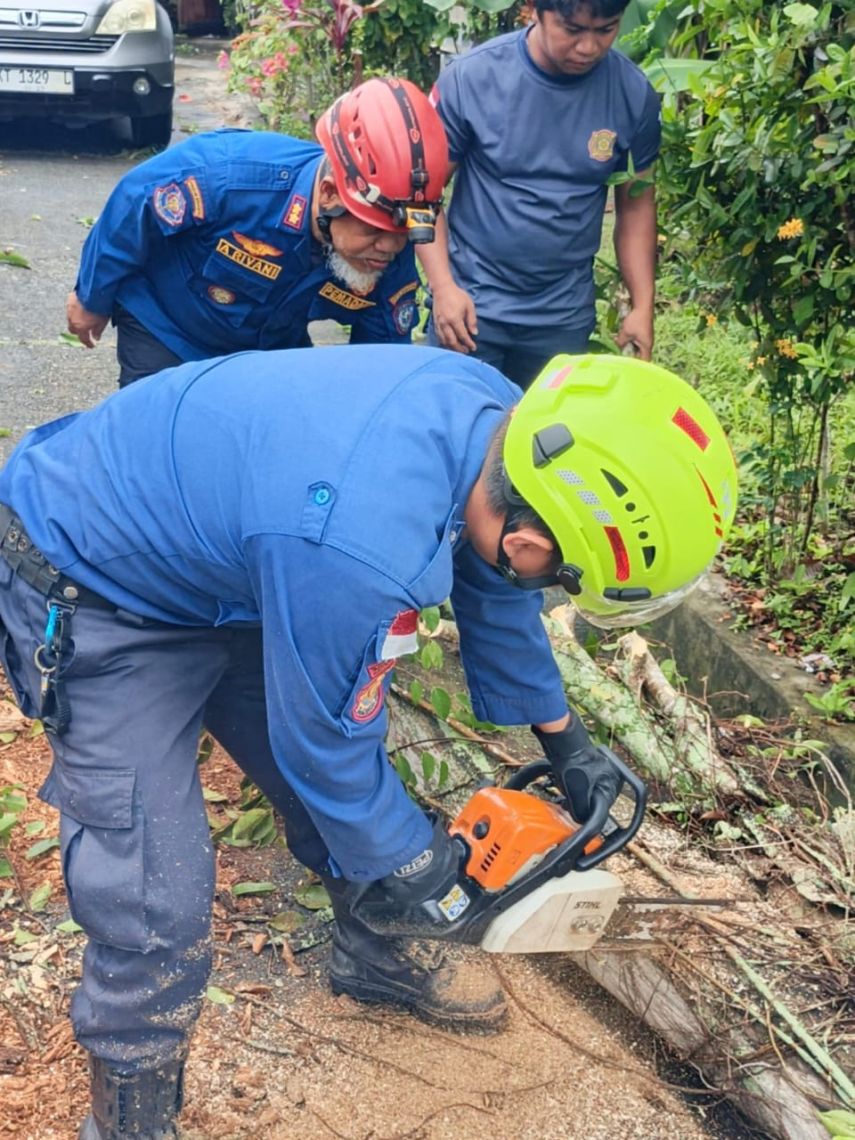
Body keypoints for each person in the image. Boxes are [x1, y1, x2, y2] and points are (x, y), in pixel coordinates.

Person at [0, 347, 736, 1138]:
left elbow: (493, 582)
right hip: (96, 578)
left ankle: (373, 950)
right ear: (529, 539)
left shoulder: (499, 432)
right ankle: (130, 1121)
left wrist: (566, 741)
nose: (538, 580)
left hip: (239, 565)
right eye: (554, 573)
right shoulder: (358, 542)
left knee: (343, 803)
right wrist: (422, 871)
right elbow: (326, 746)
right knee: (154, 888)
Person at [65, 76, 448, 386]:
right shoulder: (231, 177)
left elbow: (378, 363)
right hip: (168, 324)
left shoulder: (388, 252)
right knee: (153, 448)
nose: (390, 247)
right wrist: (92, 297)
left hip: (267, 350)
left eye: (404, 232)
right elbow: (135, 203)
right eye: (375, 230)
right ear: (330, 194)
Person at [419, 0, 660, 388]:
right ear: (534, 10)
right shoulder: (472, 79)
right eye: (573, 29)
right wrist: (444, 288)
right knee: (459, 436)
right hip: (470, 309)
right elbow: (423, 193)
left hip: (562, 318)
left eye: (605, 30)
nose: (589, 47)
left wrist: (642, 305)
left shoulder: (633, 95)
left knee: (545, 442)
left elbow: (636, 208)